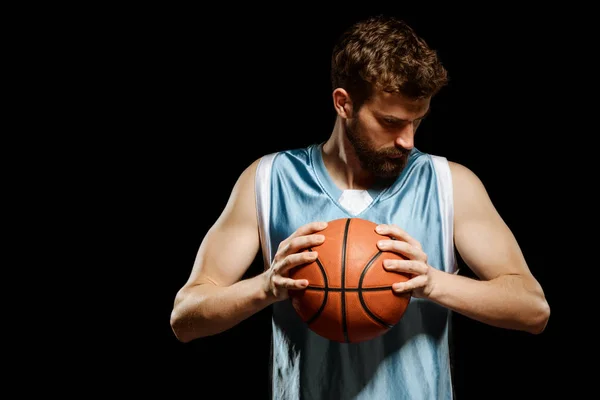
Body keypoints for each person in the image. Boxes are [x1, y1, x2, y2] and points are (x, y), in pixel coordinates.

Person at [169, 14, 550, 400]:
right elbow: (185, 318)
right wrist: (266, 286)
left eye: (417, 122)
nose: (407, 140)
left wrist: (434, 283)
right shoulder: (267, 180)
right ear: (343, 103)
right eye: (390, 122)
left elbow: (533, 309)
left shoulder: (451, 184)